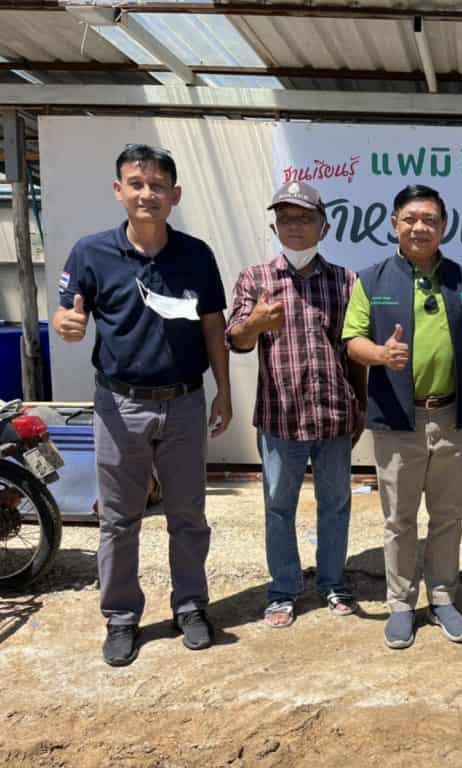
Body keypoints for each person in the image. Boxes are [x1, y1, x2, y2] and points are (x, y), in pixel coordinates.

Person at [51, 144, 231, 666]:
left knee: (188, 515)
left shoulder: (197, 255)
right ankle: (121, 617)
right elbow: (66, 314)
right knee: (119, 519)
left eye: (157, 185)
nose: (147, 193)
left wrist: (223, 389)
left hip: (184, 403)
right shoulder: (90, 252)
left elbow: (213, 325)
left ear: (175, 195)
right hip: (119, 405)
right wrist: (65, 325)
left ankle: (191, 607)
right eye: (136, 183)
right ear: (119, 191)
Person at [342, 184, 462, 649]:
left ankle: (443, 599)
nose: (419, 227)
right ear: (394, 224)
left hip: (452, 417)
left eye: (429, 219)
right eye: (410, 219)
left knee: (448, 516)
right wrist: (380, 354)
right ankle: (402, 605)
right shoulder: (371, 280)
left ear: (443, 226)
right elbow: (352, 341)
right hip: (397, 420)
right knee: (399, 519)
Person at [226, 181, 367, 629]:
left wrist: (360, 404)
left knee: (336, 505)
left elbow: (354, 348)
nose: (295, 226)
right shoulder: (256, 279)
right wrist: (255, 323)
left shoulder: (346, 281)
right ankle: (283, 590)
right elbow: (236, 340)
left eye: (305, 218)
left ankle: (332, 582)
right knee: (278, 507)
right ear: (274, 227)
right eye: (286, 218)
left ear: (324, 226)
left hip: (334, 415)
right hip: (279, 418)